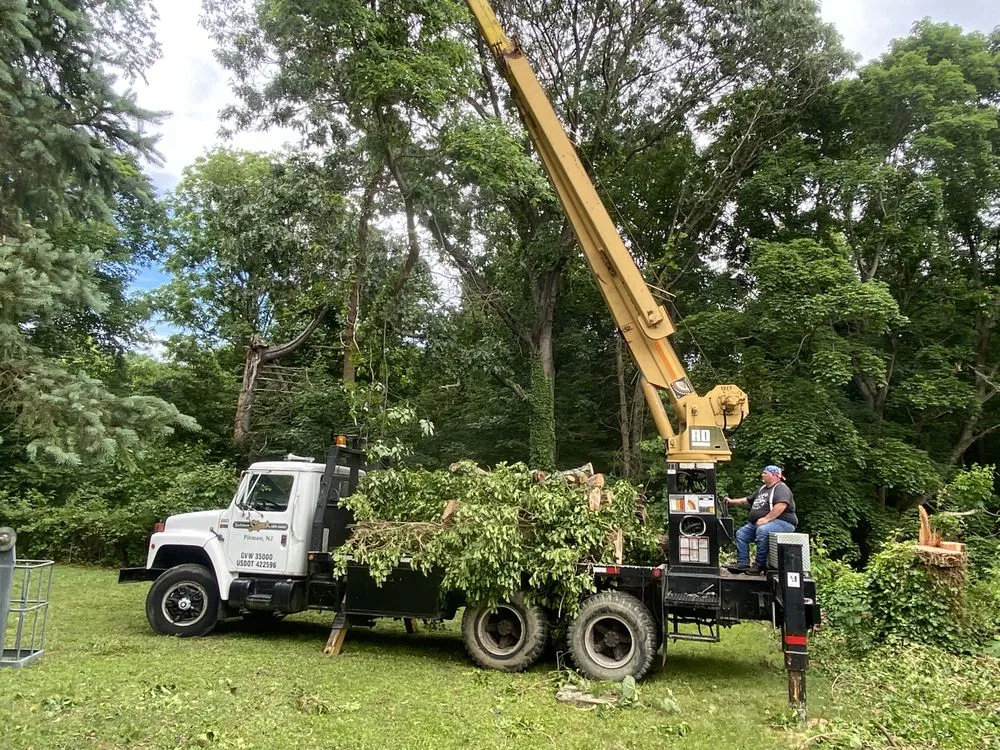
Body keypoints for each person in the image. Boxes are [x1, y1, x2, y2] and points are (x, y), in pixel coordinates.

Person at [725, 465, 797, 574]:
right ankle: (743, 563)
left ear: (774, 475)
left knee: (762, 530)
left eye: (765, 473)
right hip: (761, 523)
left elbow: (781, 505)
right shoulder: (762, 489)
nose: (762, 475)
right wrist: (731, 501)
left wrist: (766, 519)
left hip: (783, 522)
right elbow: (747, 501)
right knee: (741, 534)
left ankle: (759, 565)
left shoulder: (781, 488)